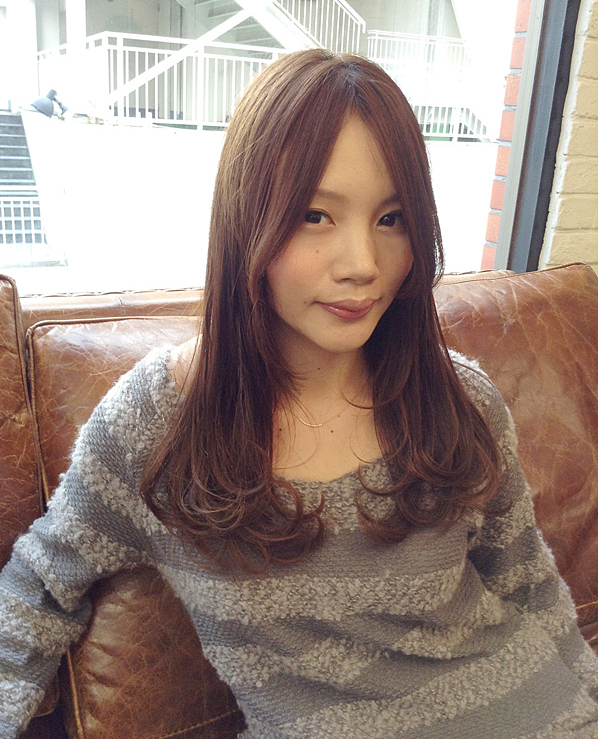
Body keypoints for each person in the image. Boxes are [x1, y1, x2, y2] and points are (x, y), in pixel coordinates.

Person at [1, 49, 597, 739]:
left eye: (392, 219)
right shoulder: (158, 423)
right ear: (245, 219)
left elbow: (531, 587)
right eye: (316, 215)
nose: (363, 265)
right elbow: (38, 588)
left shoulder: (460, 402)